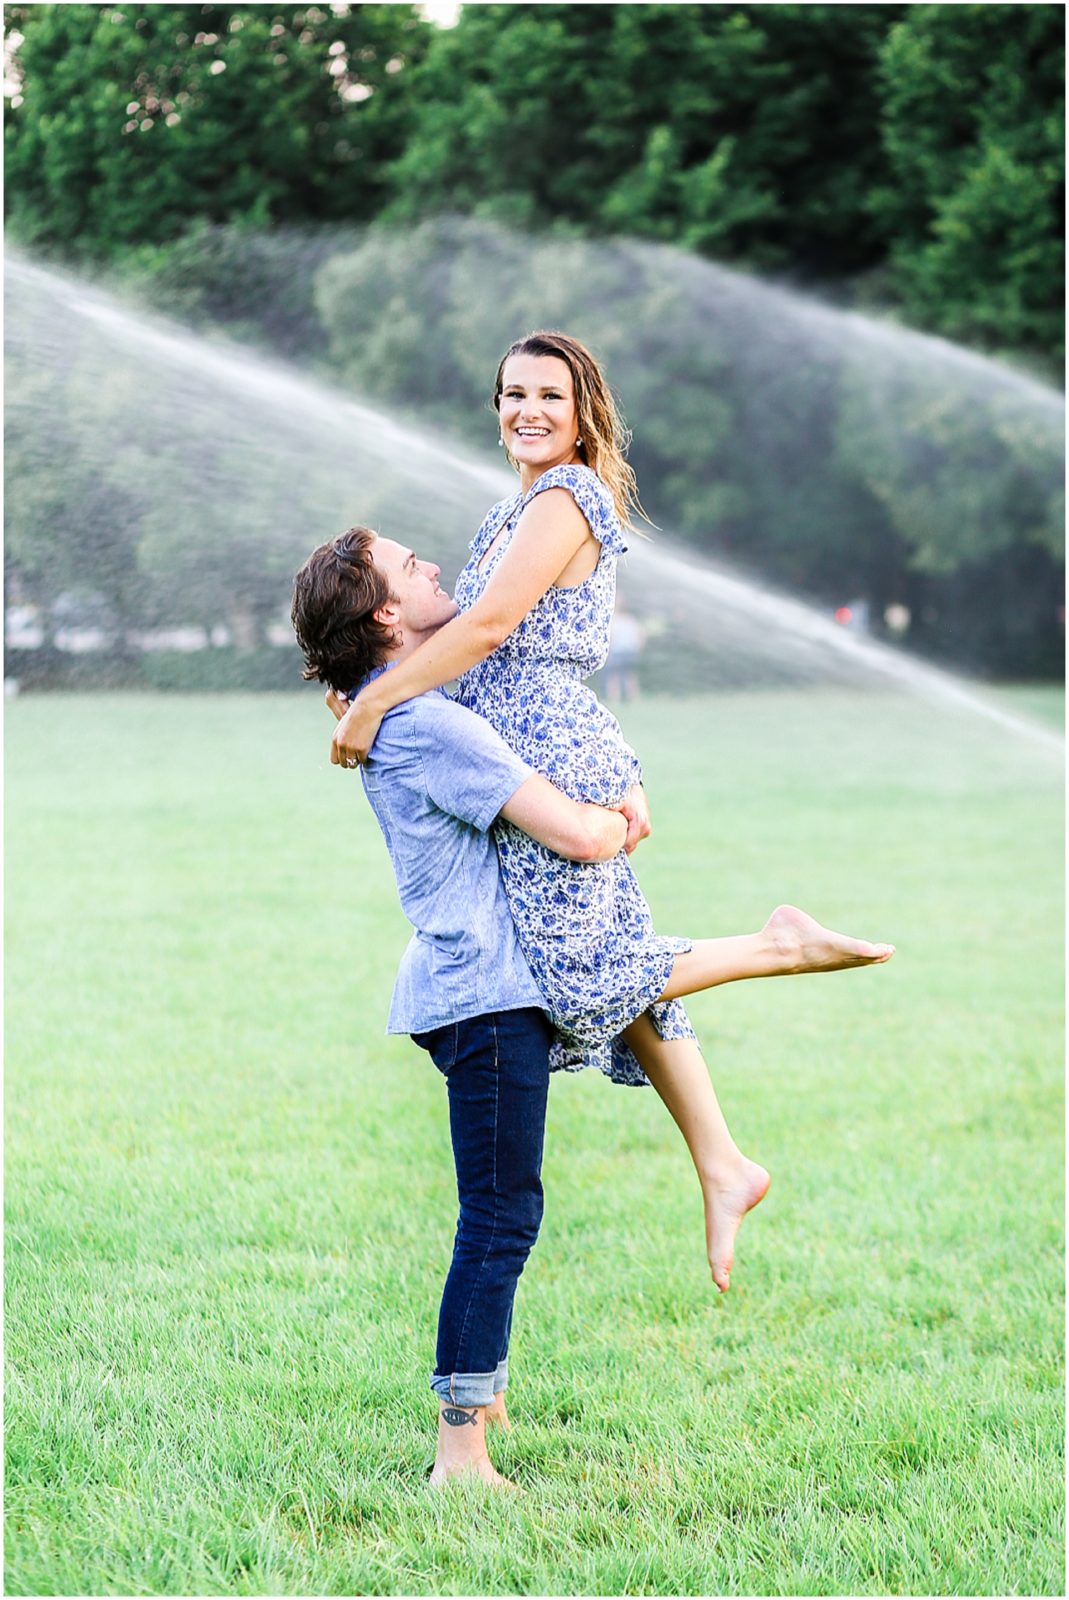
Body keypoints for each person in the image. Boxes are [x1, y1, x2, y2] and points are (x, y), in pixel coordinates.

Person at [329, 330, 894, 1295]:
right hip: (546, 746)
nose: (527, 410)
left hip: (544, 753)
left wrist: (377, 703)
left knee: (590, 981)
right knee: (621, 973)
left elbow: (491, 629)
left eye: (550, 393)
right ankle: (722, 1163)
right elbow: (453, 639)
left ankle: (777, 946)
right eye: (512, 393)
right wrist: (356, 686)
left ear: (583, 411)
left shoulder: (563, 498)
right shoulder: (512, 508)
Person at [292, 526, 629, 1488]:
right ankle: (459, 1450)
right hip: (482, 997)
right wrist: (621, 818)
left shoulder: (397, 707)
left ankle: (485, 1394)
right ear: (386, 613)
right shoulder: (426, 724)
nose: (434, 565)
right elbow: (569, 834)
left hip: (473, 989)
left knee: (501, 1209)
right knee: (498, 1216)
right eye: (411, 566)